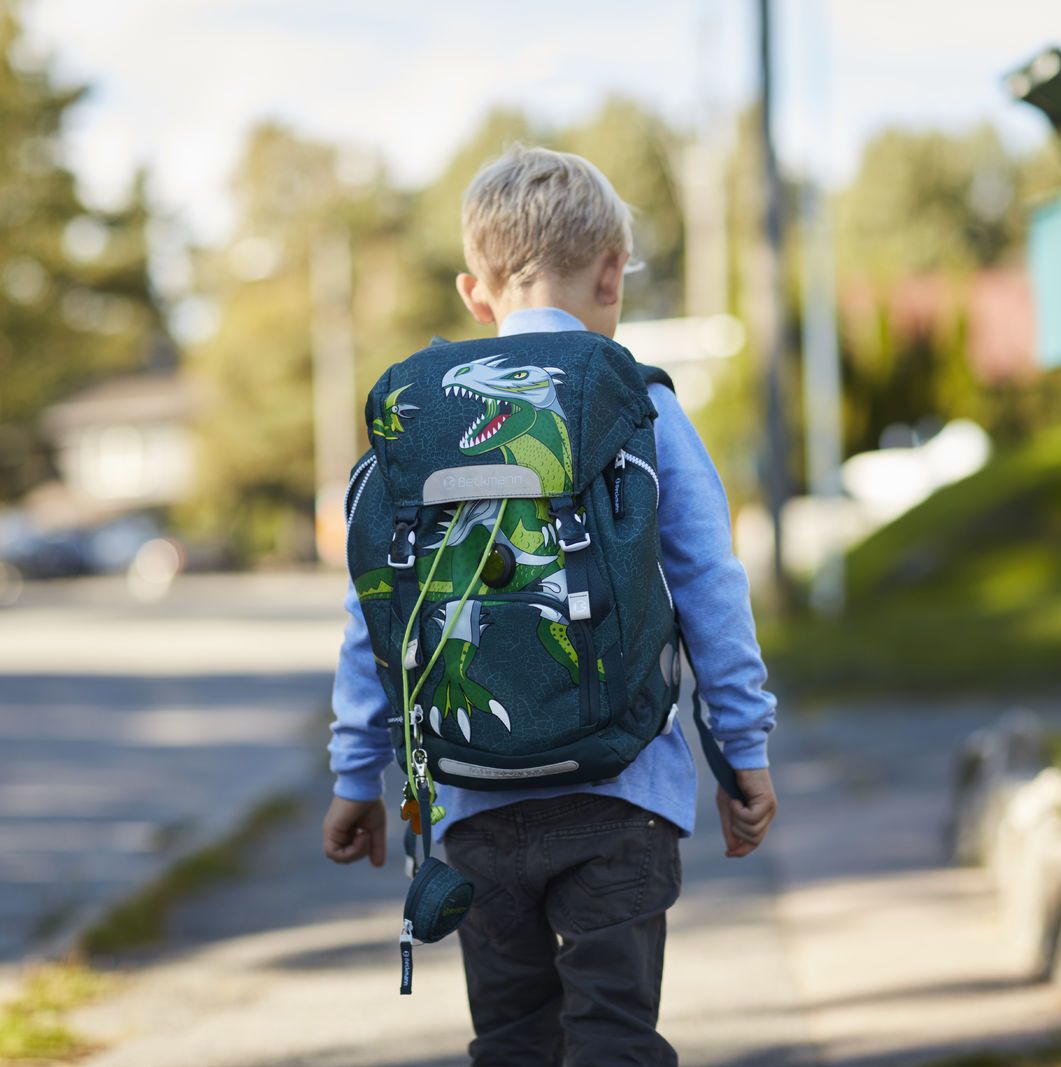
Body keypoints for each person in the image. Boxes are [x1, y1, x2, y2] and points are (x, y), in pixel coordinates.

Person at [321, 144, 778, 1066]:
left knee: (512, 1040)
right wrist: (743, 752)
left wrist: (355, 774)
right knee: (614, 1035)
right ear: (613, 272)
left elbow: (373, 604)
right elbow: (709, 587)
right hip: (622, 796)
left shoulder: (423, 421)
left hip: (470, 800)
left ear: (474, 293)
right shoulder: (639, 406)